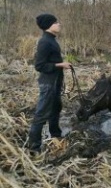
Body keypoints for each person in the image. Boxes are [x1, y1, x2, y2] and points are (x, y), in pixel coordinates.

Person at [28, 13, 72, 153]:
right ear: (48, 25)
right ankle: (34, 148)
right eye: (55, 22)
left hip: (54, 83)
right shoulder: (44, 42)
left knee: (55, 109)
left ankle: (56, 135)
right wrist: (60, 65)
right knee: (41, 114)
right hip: (48, 85)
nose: (59, 24)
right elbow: (39, 66)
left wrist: (60, 65)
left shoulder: (51, 40)